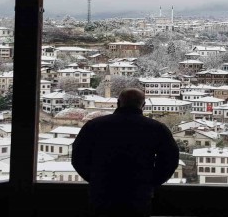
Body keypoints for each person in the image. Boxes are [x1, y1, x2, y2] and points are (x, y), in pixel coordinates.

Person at [72, 88, 180, 217]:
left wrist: (96, 178)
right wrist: (150, 182)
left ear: (118, 103)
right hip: (138, 194)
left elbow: (78, 157)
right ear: (143, 105)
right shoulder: (157, 128)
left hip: (102, 192)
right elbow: (170, 160)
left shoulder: (94, 126)